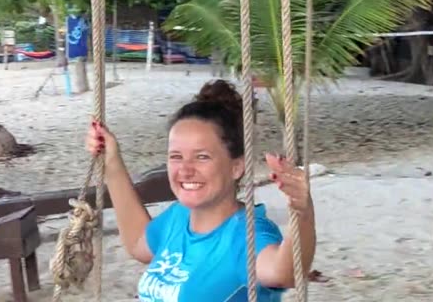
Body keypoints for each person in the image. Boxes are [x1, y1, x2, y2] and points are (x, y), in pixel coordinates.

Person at [88, 79, 316, 301]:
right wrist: (112, 163)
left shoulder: (245, 234)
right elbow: (138, 243)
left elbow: (283, 273)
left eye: (202, 157)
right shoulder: (178, 217)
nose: (185, 170)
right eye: (176, 157)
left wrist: (303, 212)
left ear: (237, 167)